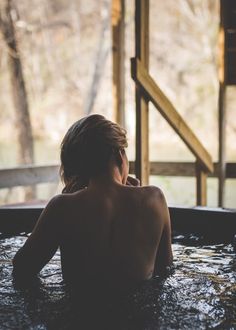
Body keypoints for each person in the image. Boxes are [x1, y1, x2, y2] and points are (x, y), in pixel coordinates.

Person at [13, 114, 172, 297]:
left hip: (78, 316)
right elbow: (165, 270)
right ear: (120, 155)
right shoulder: (154, 199)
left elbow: (22, 269)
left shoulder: (62, 207)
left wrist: (72, 196)